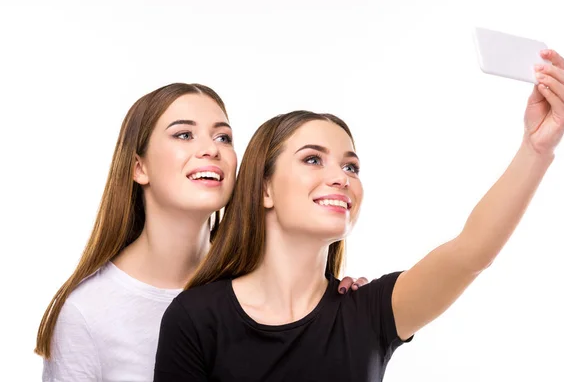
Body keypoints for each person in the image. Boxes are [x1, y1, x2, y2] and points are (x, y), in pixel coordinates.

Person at [153, 49, 564, 381]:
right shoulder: (195, 318)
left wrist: (537, 148)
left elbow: (472, 252)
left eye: (351, 166)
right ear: (265, 188)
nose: (341, 178)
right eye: (313, 160)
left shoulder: (369, 312)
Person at [35, 83, 366, 382]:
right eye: (183, 135)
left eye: (223, 137)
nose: (212, 150)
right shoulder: (88, 312)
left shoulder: (256, 280)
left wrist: (341, 306)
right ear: (139, 167)